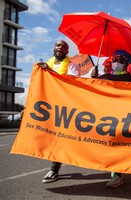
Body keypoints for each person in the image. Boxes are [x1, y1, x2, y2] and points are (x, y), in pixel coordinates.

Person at [92, 49, 131, 188]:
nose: (116, 63)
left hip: (125, 117)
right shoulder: (104, 77)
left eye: (119, 61)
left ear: (126, 64)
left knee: (119, 146)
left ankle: (117, 174)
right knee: (110, 145)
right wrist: (93, 78)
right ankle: (116, 172)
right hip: (106, 117)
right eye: (114, 60)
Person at [39, 40, 80, 183]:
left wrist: (49, 72)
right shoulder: (47, 64)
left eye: (64, 46)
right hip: (47, 105)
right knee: (50, 137)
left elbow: (71, 82)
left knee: (59, 137)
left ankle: (54, 170)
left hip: (64, 107)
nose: (60, 48)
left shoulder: (72, 65)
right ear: (53, 48)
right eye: (58, 45)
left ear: (67, 51)